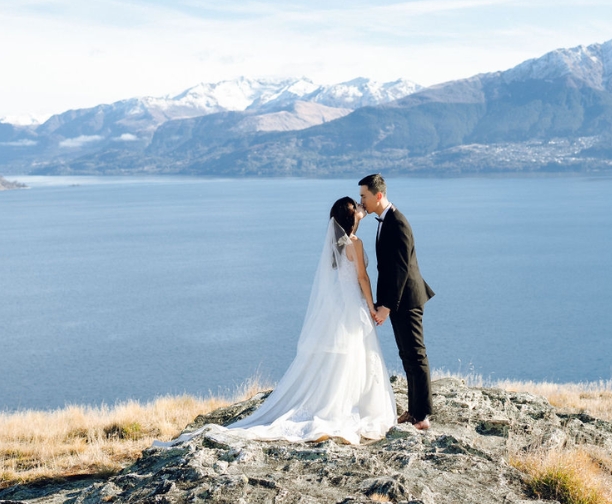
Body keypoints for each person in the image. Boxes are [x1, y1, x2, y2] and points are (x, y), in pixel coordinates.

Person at [155, 197, 397, 446]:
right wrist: (372, 307)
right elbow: (362, 278)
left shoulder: (336, 245)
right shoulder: (355, 243)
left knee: (345, 356)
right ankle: (352, 403)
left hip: (340, 306)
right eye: (356, 207)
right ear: (351, 217)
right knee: (356, 354)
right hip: (353, 305)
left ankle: (341, 399)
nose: (360, 207)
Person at [359, 173, 435, 430]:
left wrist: (386, 306)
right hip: (398, 299)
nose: (362, 202)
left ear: (378, 195)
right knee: (406, 355)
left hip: (408, 299)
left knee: (416, 354)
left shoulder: (398, 222)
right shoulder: (384, 220)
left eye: (364, 197)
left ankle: (423, 415)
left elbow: (401, 269)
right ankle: (413, 411)